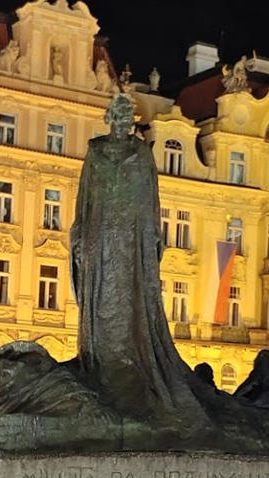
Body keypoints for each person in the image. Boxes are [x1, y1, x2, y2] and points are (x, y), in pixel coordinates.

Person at [70, 92, 208, 426]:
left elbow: (151, 201)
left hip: (132, 240)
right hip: (100, 237)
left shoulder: (142, 154)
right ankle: (103, 361)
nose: (122, 123)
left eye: (126, 118)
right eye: (117, 117)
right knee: (101, 296)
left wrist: (153, 236)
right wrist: (79, 232)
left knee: (131, 297)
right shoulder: (96, 152)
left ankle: (132, 361)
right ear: (109, 119)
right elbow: (84, 197)